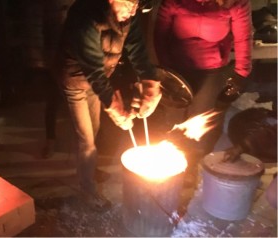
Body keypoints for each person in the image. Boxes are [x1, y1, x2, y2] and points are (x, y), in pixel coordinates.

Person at [56, 0, 161, 211]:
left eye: (136, 6)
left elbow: (138, 51)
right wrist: (114, 106)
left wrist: (151, 82)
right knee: (86, 139)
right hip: (75, 79)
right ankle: (87, 190)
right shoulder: (85, 17)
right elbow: (93, 69)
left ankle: (89, 169)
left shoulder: (127, 17)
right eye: (129, 4)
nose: (133, 11)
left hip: (97, 79)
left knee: (93, 130)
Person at [154, 0, 253, 168]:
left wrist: (241, 72)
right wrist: (166, 70)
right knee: (173, 120)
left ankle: (195, 166)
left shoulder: (234, 3)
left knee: (203, 124)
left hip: (211, 70)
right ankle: (171, 164)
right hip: (177, 69)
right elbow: (160, 33)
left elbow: (243, 36)